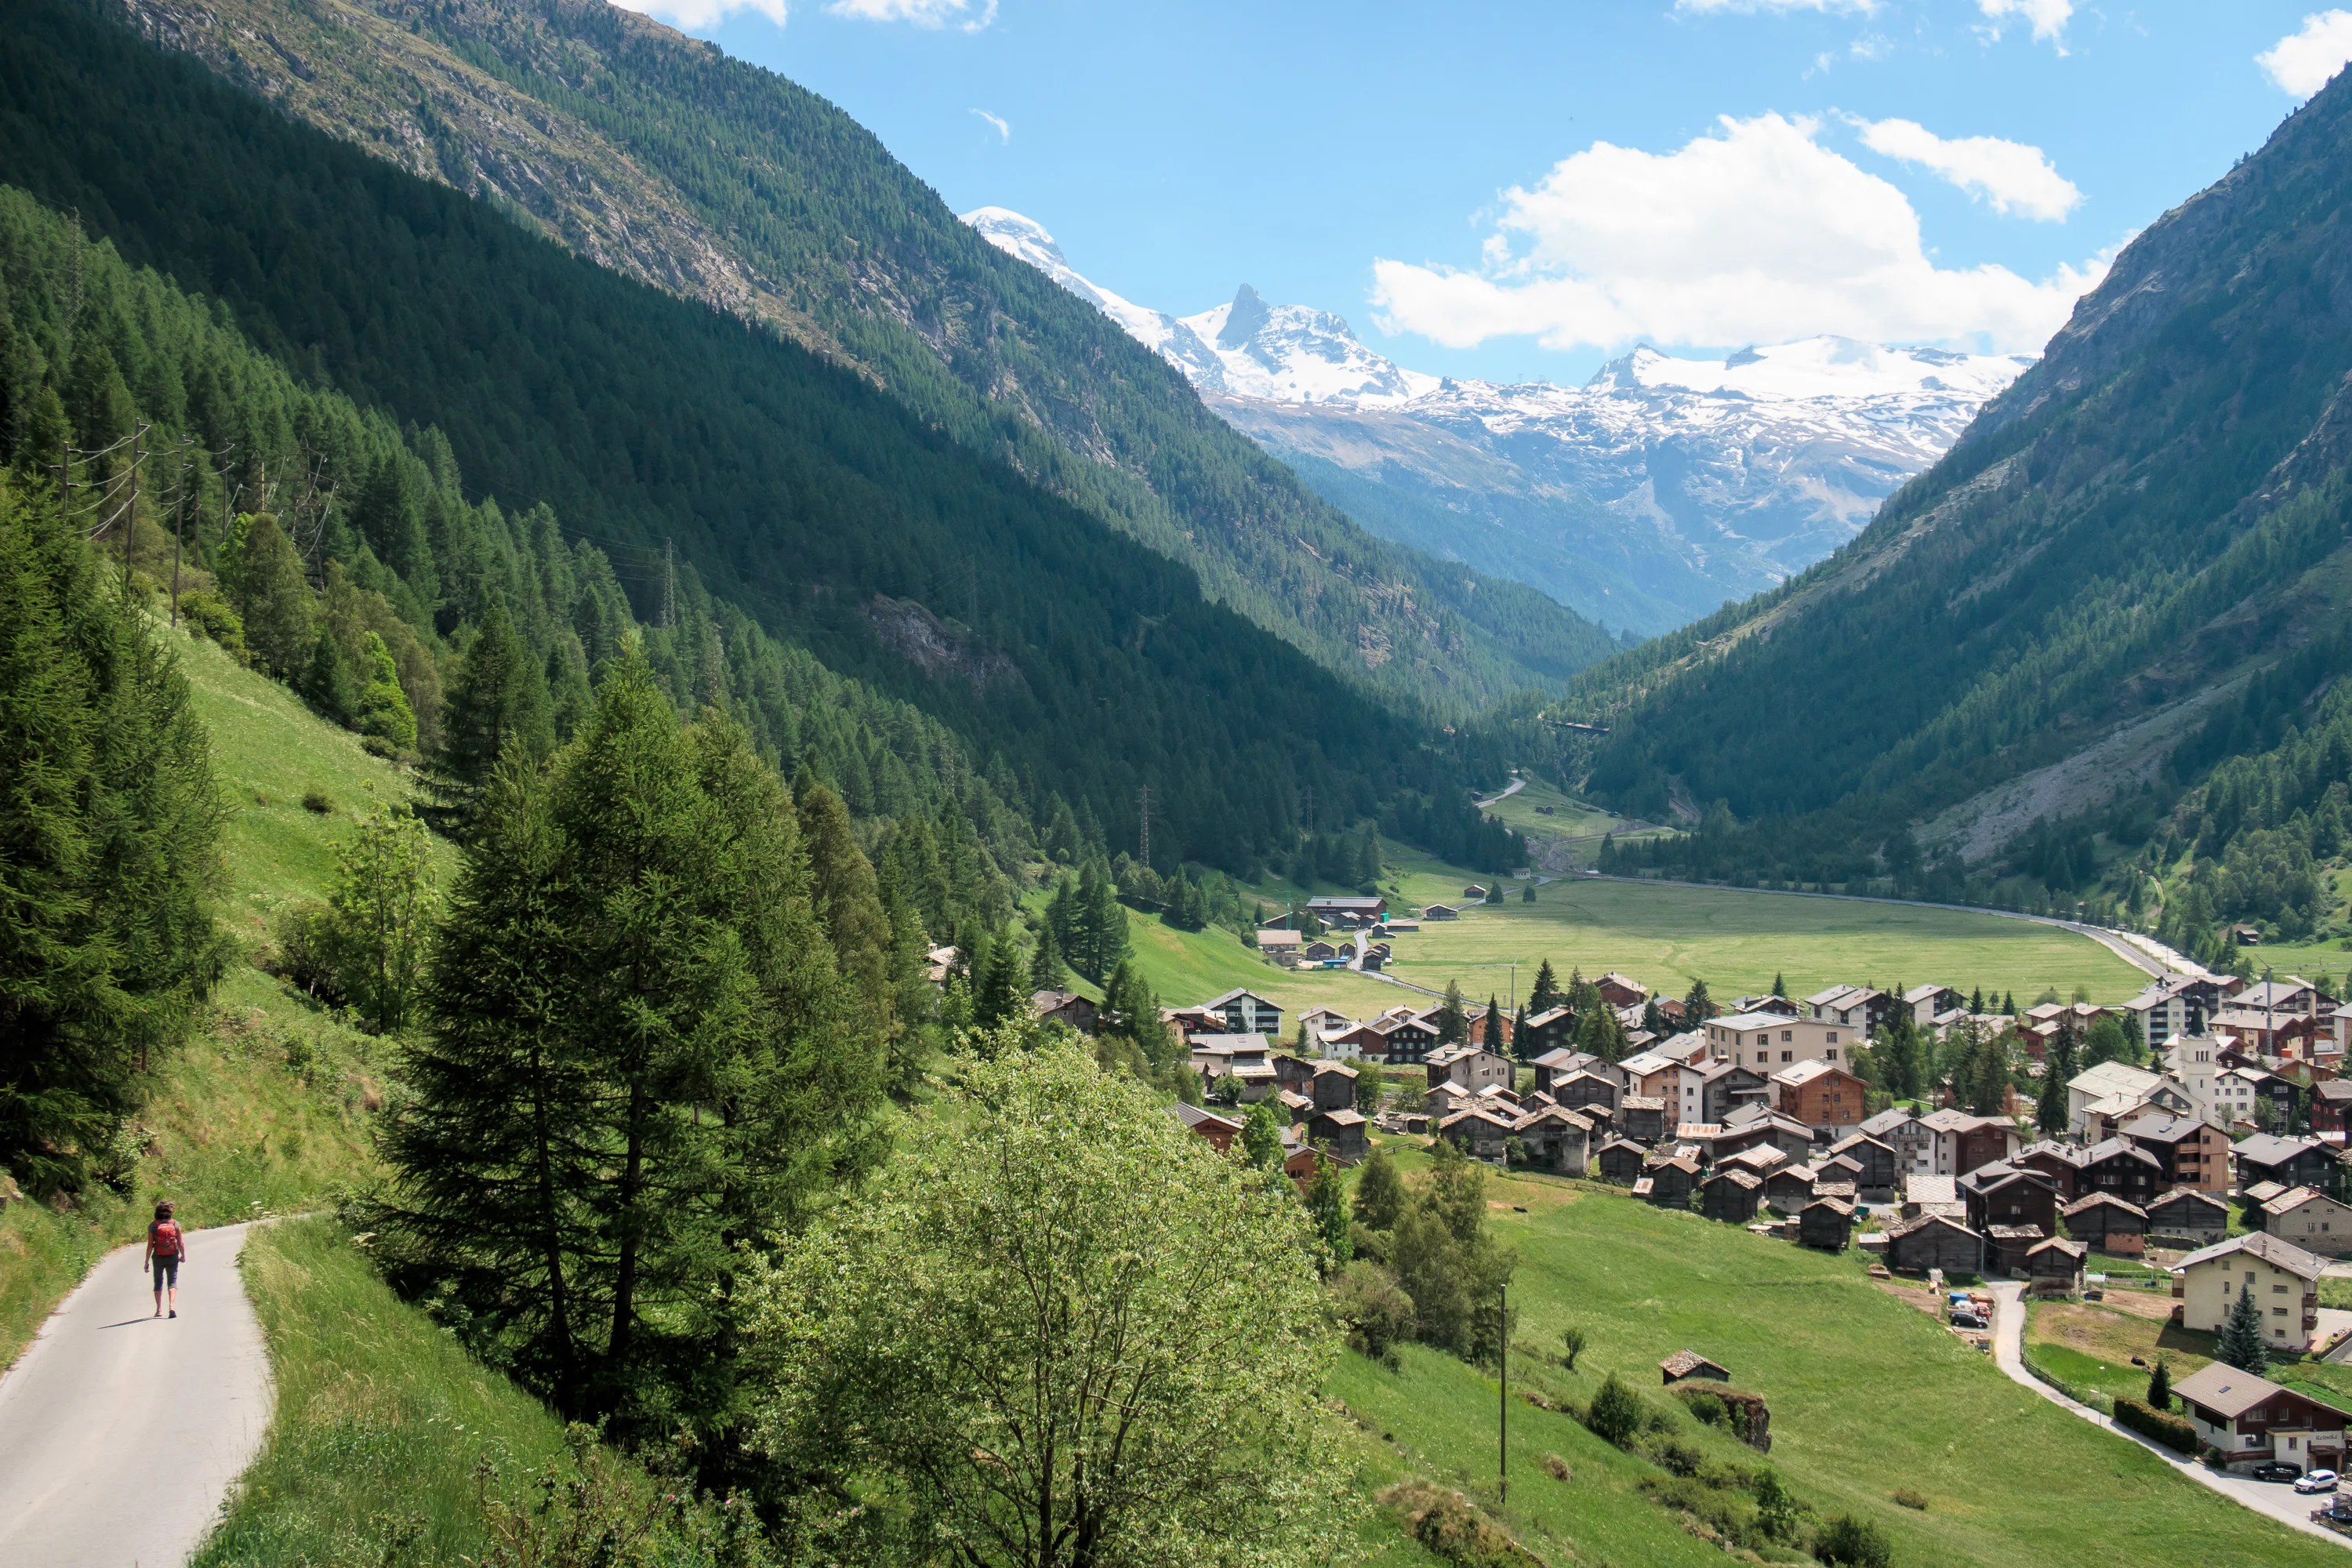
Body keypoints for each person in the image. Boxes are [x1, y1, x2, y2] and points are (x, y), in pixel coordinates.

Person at [144, 1201, 185, 1319]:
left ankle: (159, 1310)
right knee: (172, 1281)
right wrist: (183, 1255)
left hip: (158, 1257)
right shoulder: (175, 1224)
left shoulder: (153, 1226)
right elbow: (181, 1243)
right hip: (172, 1256)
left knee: (158, 1281)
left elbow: (150, 1245)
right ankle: (172, 1307)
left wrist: (146, 1262)